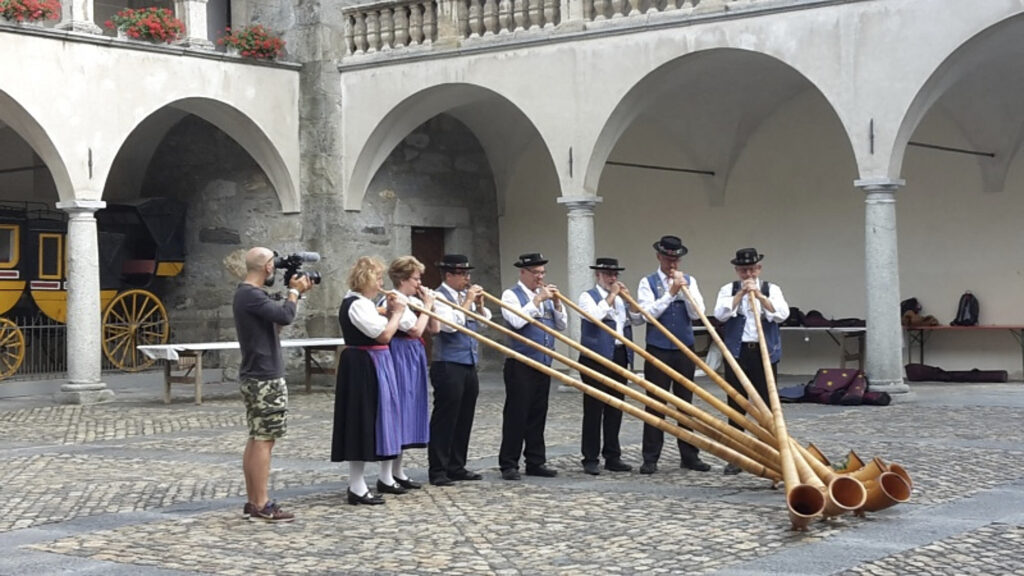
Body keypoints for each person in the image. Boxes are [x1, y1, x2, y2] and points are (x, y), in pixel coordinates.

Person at [233, 246, 313, 522]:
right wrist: (294, 292)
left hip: (256, 373)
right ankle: (262, 502)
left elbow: (276, 324)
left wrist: (294, 295)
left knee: (257, 437)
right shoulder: (251, 295)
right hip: (264, 375)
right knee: (265, 440)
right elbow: (285, 316)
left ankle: (254, 501)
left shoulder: (247, 295)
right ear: (268, 267)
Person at [331, 256, 407, 505]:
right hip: (364, 364)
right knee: (361, 418)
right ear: (366, 280)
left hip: (375, 362)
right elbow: (384, 335)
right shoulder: (357, 304)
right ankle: (356, 484)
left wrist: (389, 312)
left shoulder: (364, 304)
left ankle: (384, 477)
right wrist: (398, 314)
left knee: (382, 416)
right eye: (378, 278)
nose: (381, 283)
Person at [636, 235, 710, 474]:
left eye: (676, 260)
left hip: (684, 349)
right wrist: (670, 293)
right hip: (658, 349)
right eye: (669, 259)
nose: (673, 264)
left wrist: (685, 291)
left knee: (685, 404)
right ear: (659, 257)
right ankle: (650, 457)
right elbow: (648, 315)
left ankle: (689, 455)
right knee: (655, 403)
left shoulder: (690, 281)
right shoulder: (647, 282)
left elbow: (697, 314)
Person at [713, 247, 789, 475]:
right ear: (737, 271)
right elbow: (720, 314)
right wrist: (740, 295)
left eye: (752, 270)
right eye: (743, 270)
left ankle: (768, 454)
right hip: (737, 353)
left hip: (764, 353)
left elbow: (782, 314)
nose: (748, 275)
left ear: (759, 269)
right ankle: (736, 456)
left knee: (767, 404)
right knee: (736, 404)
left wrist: (761, 298)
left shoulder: (771, 289)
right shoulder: (728, 289)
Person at [498, 252, 567, 480]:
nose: (540, 277)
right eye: (536, 272)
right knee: (517, 414)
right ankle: (509, 463)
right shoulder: (511, 295)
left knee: (538, 413)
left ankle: (536, 461)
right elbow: (516, 321)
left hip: (543, 362)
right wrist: (537, 300)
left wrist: (557, 303)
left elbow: (562, 326)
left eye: (542, 273)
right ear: (523, 272)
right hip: (520, 362)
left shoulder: (545, 295)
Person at [576, 257, 644, 475]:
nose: (612, 279)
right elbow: (594, 317)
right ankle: (590, 458)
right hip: (595, 357)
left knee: (616, 407)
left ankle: (613, 456)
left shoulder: (621, 299)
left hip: (619, 355)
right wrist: (612, 296)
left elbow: (638, 319)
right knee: (594, 408)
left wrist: (630, 300)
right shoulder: (587, 296)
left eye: (615, 275)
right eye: (608, 275)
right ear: (598, 275)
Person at [428, 254, 490, 486]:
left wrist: (479, 305)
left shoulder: (465, 297)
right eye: (463, 274)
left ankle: (456, 465)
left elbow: (483, 323)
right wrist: (468, 301)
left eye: (468, 274)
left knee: (465, 416)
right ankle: (438, 469)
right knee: (446, 418)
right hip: (447, 364)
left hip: (468, 362)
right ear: (449, 275)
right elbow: (449, 325)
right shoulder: (438, 297)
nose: (467, 278)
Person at [387, 256, 440, 489]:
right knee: (399, 408)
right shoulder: (394, 299)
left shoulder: (411, 300)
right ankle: (389, 472)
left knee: (409, 408)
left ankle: (398, 470)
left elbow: (435, 328)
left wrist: (431, 306)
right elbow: (416, 330)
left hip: (412, 354)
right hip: (400, 353)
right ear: (403, 279)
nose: (419, 283)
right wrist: (426, 306)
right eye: (416, 279)